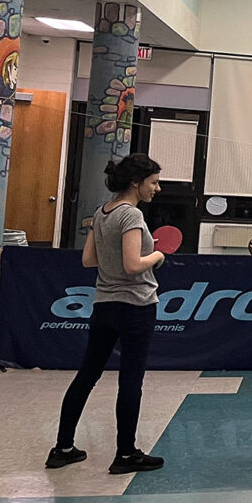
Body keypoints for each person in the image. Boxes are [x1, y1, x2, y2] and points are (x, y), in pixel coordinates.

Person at [46, 154, 166, 474]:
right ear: (135, 183)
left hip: (104, 306)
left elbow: (88, 260)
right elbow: (132, 265)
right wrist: (156, 254)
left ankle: (63, 447)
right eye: (153, 182)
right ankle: (126, 454)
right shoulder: (132, 217)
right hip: (136, 307)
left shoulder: (102, 213)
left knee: (88, 374)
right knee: (131, 379)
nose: (157, 188)